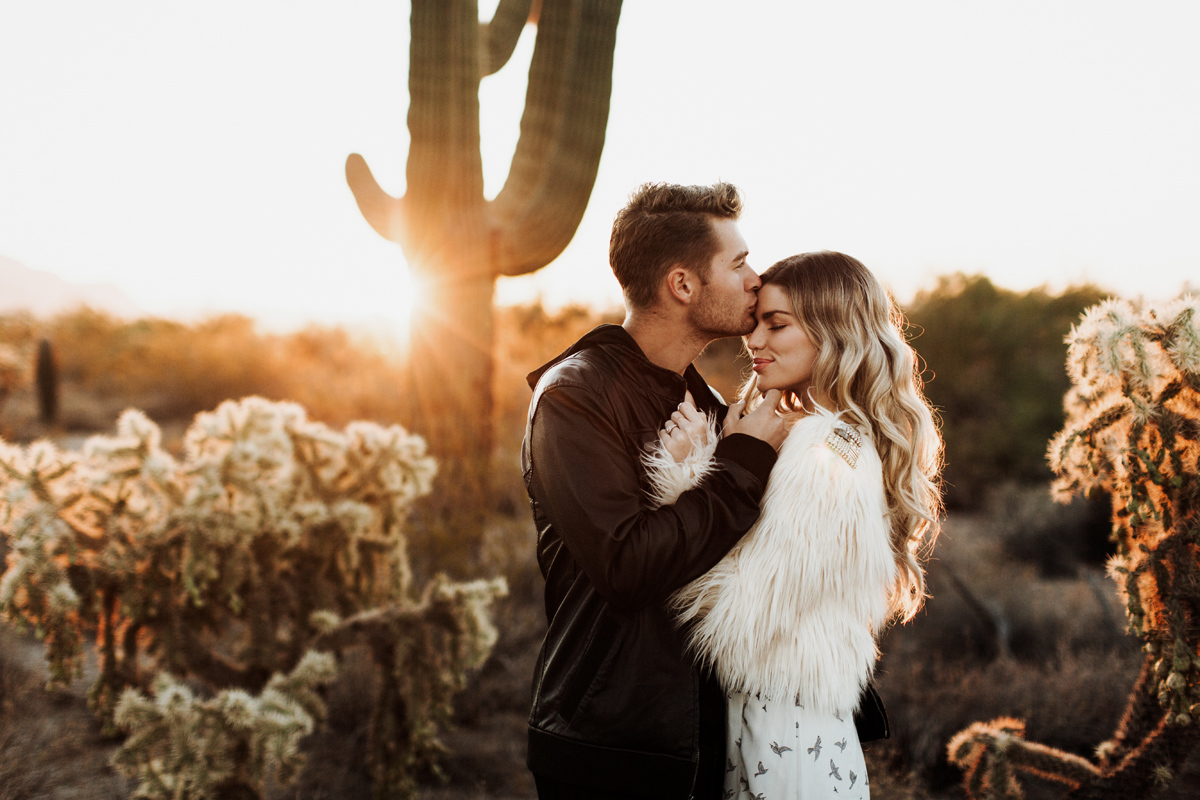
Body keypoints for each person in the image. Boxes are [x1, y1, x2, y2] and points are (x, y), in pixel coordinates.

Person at [521, 182, 789, 800]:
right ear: (682, 285)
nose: (757, 278)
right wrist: (743, 463)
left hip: (706, 740)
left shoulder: (711, 403)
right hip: (610, 744)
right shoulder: (574, 396)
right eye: (739, 263)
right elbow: (627, 564)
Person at [647, 251, 943, 799]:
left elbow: (740, 626)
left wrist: (692, 475)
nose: (753, 341)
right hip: (785, 731)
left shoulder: (825, 451)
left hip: (784, 743)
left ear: (834, 332)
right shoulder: (823, 436)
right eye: (756, 321)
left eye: (776, 324)